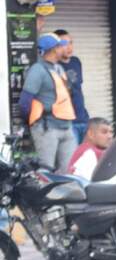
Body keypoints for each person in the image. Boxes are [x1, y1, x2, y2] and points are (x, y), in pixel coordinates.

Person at [19, 34, 77, 171]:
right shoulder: (37, 70)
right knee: (46, 171)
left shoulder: (58, 69)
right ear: (54, 49)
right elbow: (25, 102)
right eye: (61, 45)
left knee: (69, 171)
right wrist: (34, 122)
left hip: (66, 127)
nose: (65, 47)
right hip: (47, 128)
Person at [55, 29, 90, 143]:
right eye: (64, 44)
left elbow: (78, 88)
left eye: (71, 42)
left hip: (83, 118)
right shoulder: (53, 66)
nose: (69, 47)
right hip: (67, 122)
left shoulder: (76, 62)